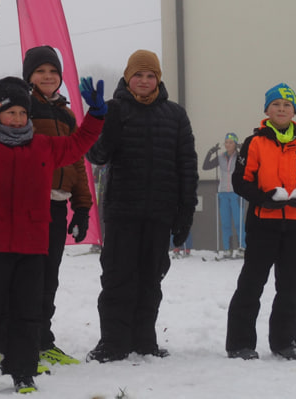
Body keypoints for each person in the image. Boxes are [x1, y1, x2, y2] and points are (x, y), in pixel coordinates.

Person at [0, 75, 106, 394]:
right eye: (9, 112)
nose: (16, 119)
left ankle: (22, 370)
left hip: (32, 242)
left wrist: (96, 115)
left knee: (28, 309)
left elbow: (77, 144)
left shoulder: (43, 146)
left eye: (22, 113)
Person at [85, 49, 199, 363]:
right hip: (123, 211)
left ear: (158, 79)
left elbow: (187, 165)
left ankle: (144, 339)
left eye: (151, 76)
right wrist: (101, 120)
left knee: (151, 278)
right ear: (127, 78)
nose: (145, 81)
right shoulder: (114, 110)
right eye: (139, 75)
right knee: (117, 279)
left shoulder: (175, 115)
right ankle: (113, 342)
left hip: (160, 212)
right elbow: (97, 155)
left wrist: (185, 211)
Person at [225, 83, 296, 361]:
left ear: (294, 111)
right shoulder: (255, 142)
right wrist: (265, 198)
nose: (281, 109)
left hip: (295, 226)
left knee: (291, 285)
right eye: (276, 104)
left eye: (287, 105)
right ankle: (240, 343)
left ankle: (286, 341)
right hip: (262, 225)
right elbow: (240, 181)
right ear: (267, 110)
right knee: (252, 283)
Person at [20, 45, 92, 368]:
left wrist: (82, 207)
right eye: (40, 71)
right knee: (27, 278)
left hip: (59, 205)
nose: (47, 77)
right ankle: (18, 343)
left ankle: (42, 340)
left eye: (53, 71)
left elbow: (76, 161)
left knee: (50, 276)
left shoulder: (66, 113)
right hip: (29, 205)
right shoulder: (23, 107)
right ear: (29, 76)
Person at [203, 133, 245, 258]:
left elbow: (248, 165)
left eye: (231, 142)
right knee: (225, 222)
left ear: (235, 144)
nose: (227, 145)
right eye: (226, 142)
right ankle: (227, 248)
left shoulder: (239, 157)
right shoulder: (220, 157)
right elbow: (205, 167)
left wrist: (243, 151)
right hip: (223, 193)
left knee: (238, 223)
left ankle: (242, 247)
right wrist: (210, 152)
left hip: (236, 193)